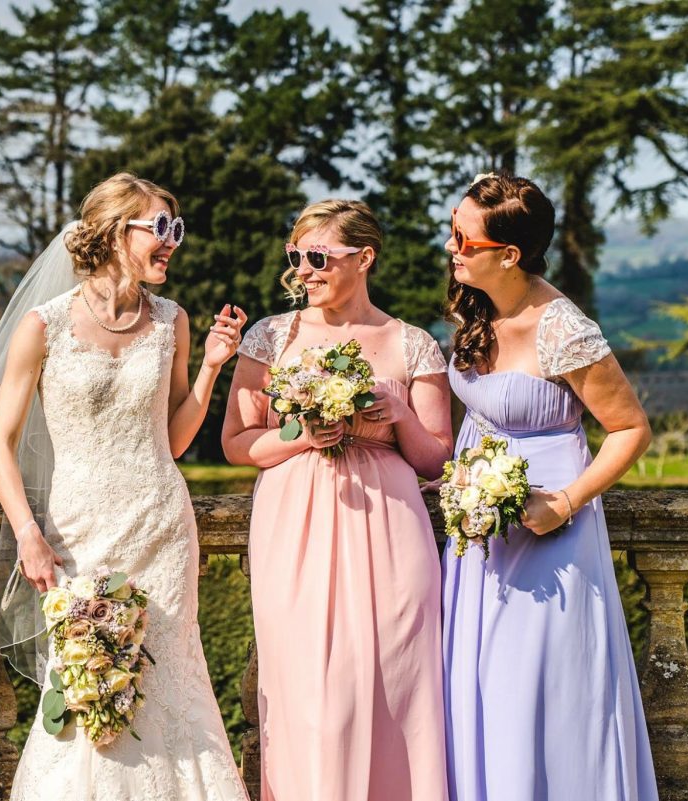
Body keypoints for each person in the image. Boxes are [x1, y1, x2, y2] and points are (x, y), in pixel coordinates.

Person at [0, 172, 250, 800]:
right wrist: (29, 536)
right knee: (85, 677)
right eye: (161, 227)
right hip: (78, 533)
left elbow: (172, 441)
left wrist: (209, 370)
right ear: (117, 231)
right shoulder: (44, 326)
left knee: (170, 678)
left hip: (161, 525)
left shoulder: (173, 320)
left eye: (178, 228)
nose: (173, 241)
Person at [222, 199, 452, 801]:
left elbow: (436, 458)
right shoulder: (271, 337)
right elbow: (237, 443)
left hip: (390, 527)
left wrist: (400, 413)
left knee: (393, 681)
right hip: (295, 524)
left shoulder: (414, 344)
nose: (304, 269)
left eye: (319, 256)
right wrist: (301, 433)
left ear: (365, 257)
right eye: (296, 256)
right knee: (307, 689)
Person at [441, 172, 657, 800]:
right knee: (478, 680)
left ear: (508, 255)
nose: (452, 247)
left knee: (537, 686)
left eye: (464, 239)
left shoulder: (562, 327)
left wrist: (564, 502)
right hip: (477, 535)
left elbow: (630, 429)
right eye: (452, 231)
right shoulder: (475, 303)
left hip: (548, 534)